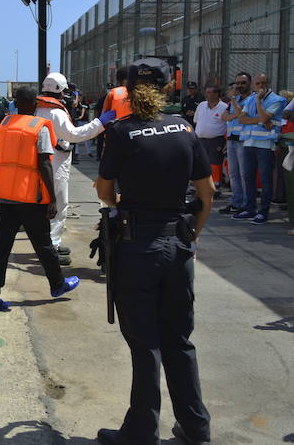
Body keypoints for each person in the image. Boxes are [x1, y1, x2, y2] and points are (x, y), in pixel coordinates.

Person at [95, 59, 214, 445]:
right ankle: (195, 427)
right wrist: (191, 236)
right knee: (179, 340)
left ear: (127, 91)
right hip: (177, 242)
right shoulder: (185, 129)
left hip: (137, 245)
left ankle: (142, 430)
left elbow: (103, 190)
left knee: (146, 344)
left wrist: (120, 203)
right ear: (167, 89)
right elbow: (207, 192)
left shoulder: (122, 133)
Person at [0, 86, 79, 314]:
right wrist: (53, 199)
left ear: (16, 103)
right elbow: (45, 163)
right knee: (43, 244)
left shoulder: (4, 125)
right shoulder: (39, 128)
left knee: (0, 246)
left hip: (5, 197)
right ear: (35, 104)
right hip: (30, 198)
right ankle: (57, 285)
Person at [36, 72, 114, 263]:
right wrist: (99, 123)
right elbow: (74, 135)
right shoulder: (56, 112)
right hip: (56, 162)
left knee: (46, 205)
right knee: (59, 205)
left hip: (44, 161)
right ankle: (52, 247)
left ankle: (48, 244)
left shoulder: (39, 108)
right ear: (60, 90)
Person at [232, 73, 286, 224]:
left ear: (268, 83)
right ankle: (250, 209)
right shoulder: (249, 99)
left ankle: (263, 212)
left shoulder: (277, 100)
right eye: (257, 83)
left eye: (263, 83)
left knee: (265, 179)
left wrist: (258, 101)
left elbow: (264, 117)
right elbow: (241, 119)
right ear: (254, 85)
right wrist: (261, 120)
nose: (260, 86)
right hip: (249, 142)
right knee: (248, 178)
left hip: (265, 144)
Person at [219, 72, 255, 215]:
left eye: (242, 83)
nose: (239, 86)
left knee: (244, 174)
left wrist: (233, 101)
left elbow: (241, 116)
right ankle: (236, 202)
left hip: (243, 140)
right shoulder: (235, 100)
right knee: (232, 174)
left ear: (249, 84)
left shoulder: (251, 100)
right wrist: (233, 113)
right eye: (237, 83)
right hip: (231, 140)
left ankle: (247, 204)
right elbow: (224, 116)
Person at [193, 85, 228, 192]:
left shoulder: (224, 107)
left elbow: (228, 125)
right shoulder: (201, 105)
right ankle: (200, 185)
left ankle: (215, 185)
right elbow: (196, 121)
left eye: (210, 92)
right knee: (201, 162)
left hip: (216, 140)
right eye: (206, 92)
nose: (207, 95)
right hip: (200, 139)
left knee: (215, 162)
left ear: (217, 94)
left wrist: (225, 143)